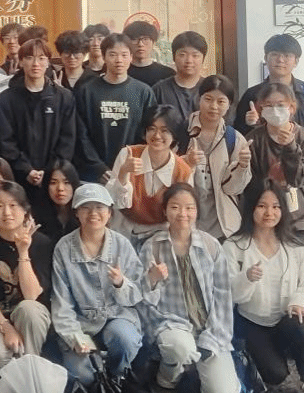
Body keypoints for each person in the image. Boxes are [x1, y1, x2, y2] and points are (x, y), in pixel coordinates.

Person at [224, 183, 304, 393]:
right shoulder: (234, 246)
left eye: (276, 207)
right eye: (262, 206)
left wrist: (299, 303)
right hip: (252, 321)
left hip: (284, 319)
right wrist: (247, 278)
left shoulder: (294, 247)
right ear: (251, 208)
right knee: (275, 375)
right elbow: (228, 292)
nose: (269, 213)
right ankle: (274, 354)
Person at [139, 182, 241, 393]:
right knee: (180, 348)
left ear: (196, 211)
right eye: (175, 207)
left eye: (189, 208)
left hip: (208, 327)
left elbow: (223, 296)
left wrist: (214, 336)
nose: (182, 214)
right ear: (165, 210)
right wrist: (152, 279)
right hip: (172, 325)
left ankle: (195, 368)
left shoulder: (211, 245)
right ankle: (169, 373)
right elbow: (143, 302)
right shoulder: (152, 246)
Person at [50, 183, 144, 386]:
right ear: (77, 213)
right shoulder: (63, 248)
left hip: (116, 316)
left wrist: (121, 284)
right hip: (80, 322)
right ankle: (94, 375)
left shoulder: (122, 244)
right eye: (86, 207)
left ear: (109, 213)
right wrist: (74, 337)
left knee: (124, 339)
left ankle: (117, 376)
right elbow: (61, 303)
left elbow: (137, 293)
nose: (93, 213)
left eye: (100, 207)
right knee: (83, 377)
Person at [0, 39, 78, 237]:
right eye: (29, 58)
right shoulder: (8, 98)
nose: (35, 63)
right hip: (20, 179)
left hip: (54, 181)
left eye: (41, 58)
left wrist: (48, 172)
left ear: (48, 62)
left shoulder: (64, 97)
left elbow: (67, 140)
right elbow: (6, 141)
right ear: (21, 61)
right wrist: (27, 170)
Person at [0, 181, 54, 371]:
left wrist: (23, 252)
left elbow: (32, 296)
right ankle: (15, 377)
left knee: (29, 309)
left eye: (13, 205)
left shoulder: (41, 243)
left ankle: (31, 370)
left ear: (25, 210)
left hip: (29, 316)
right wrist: (6, 328)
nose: (6, 212)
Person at [107, 104, 195, 245]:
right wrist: (123, 173)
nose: (157, 135)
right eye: (151, 129)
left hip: (162, 237)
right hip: (125, 232)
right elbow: (114, 201)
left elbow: (185, 213)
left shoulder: (182, 171)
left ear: (174, 135)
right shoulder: (128, 154)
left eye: (164, 130)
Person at [75, 34, 157, 183]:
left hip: (133, 171)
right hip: (94, 175)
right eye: (113, 55)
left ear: (131, 57)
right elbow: (81, 135)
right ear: (104, 57)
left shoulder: (143, 92)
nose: (119, 60)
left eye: (124, 55)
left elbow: (149, 132)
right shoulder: (87, 91)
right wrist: (98, 167)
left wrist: (131, 164)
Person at [245, 81, 304, 245]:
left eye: (280, 105)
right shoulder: (253, 139)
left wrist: (291, 147)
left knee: (297, 257)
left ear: (291, 108)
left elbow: (299, 180)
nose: (275, 110)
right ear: (261, 108)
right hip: (265, 216)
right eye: (269, 105)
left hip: (299, 217)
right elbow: (250, 183)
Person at [183, 75, 251, 240]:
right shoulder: (180, 132)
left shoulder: (234, 139)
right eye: (208, 99)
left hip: (222, 226)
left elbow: (233, 190)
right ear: (199, 99)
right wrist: (186, 163)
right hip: (184, 221)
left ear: (229, 105)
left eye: (221, 101)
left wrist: (242, 166)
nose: (213, 106)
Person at [235, 34, 304, 137]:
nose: (280, 60)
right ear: (266, 58)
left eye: (287, 56)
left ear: (296, 61)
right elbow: (239, 135)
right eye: (275, 54)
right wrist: (249, 124)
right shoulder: (252, 94)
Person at [152, 31, 209, 143]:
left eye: (195, 55)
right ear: (174, 57)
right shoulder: (159, 90)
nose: (189, 60)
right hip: (169, 150)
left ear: (203, 58)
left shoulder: (210, 88)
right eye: (182, 55)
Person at [122, 20, 174, 87]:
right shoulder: (120, 72)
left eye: (145, 39)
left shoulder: (168, 74)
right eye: (134, 39)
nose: (140, 44)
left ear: (154, 42)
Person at [42, 160, 81, 238]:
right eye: (53, 183)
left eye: (66, 182)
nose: (60, 188)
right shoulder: (37, 214)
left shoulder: (83, 213)